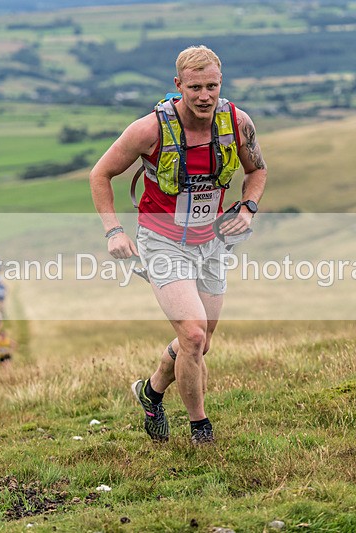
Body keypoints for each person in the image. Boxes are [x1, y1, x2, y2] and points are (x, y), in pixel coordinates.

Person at [90, 45, 267, 444]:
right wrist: (114, 231)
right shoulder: (148, 130)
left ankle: (151, 392)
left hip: (212, 243)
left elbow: (257, 170)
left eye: (212, 86)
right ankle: (200, 428)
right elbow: (99, 175)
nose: (205, 95)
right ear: (178, 86)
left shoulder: (238, 123)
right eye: (195, 87)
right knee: (192, 335)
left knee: (201, 343)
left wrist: (249, 208)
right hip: (162, 242)